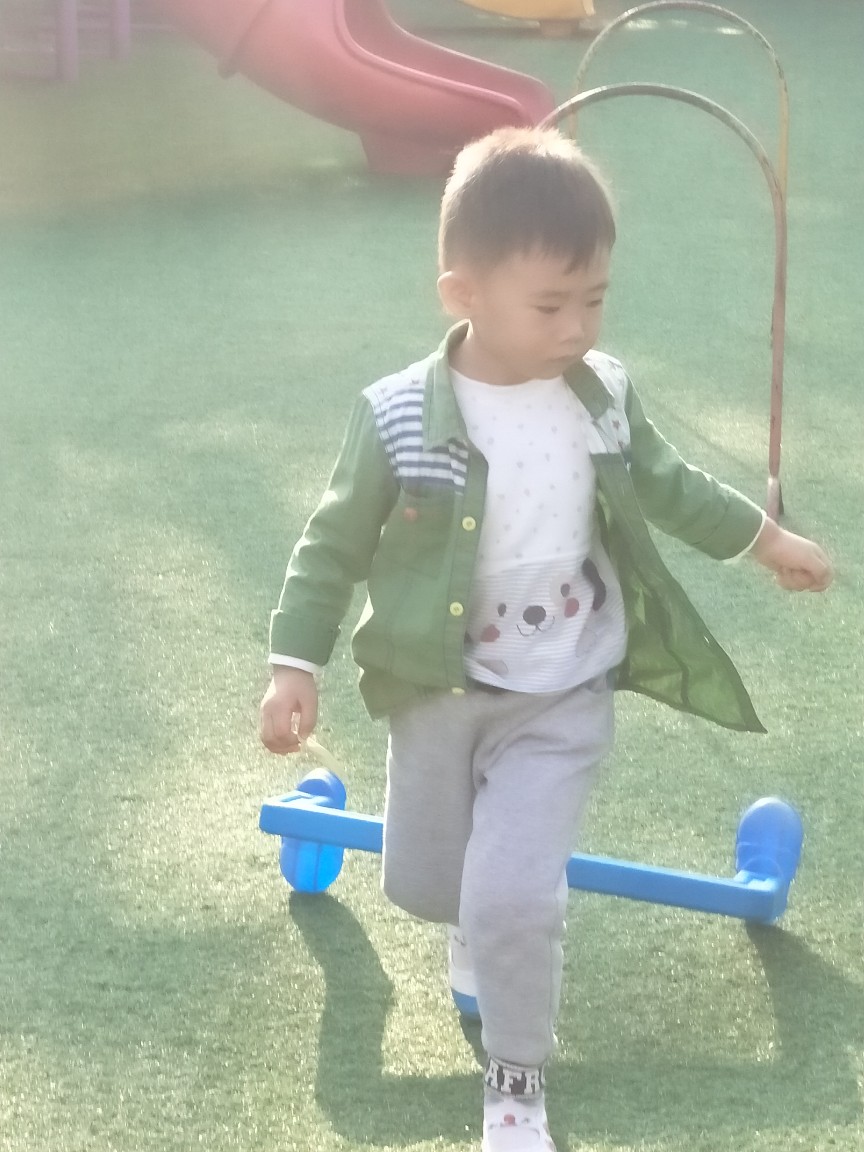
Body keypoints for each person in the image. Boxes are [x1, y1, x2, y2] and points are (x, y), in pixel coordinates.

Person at [259, 127, 833, 1152]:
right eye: (551, 304)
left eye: (595, 300)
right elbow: (332, 544)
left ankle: (516, 1087)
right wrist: (292, 663)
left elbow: (672, 488)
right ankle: (482, 926)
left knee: (515, 893)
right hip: (436, 691)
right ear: (463, 293)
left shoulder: (601, 396)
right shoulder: (397, 416)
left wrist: (768, 539)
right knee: (428, 886)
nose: (577, 327)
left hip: (563, 690)